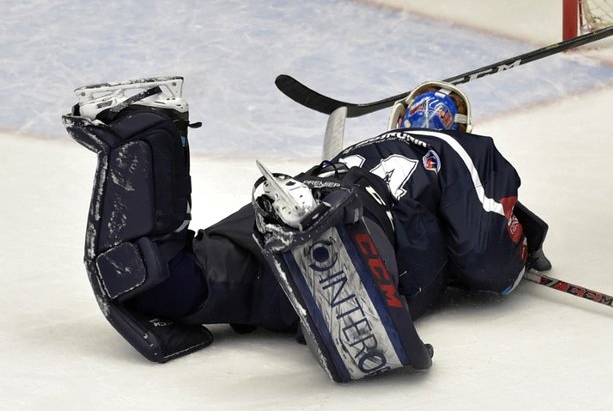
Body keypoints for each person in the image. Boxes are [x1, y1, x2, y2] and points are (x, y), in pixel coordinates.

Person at [63, 76, 550, 383]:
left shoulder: (358, 149)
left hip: (283, 217)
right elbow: (486, 257)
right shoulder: (458, 149)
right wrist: (523, 249)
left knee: (165, 284)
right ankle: (323, 237)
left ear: (397, 117)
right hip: (373, 230)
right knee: (355, 234)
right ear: (461, 125)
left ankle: (148, 131)